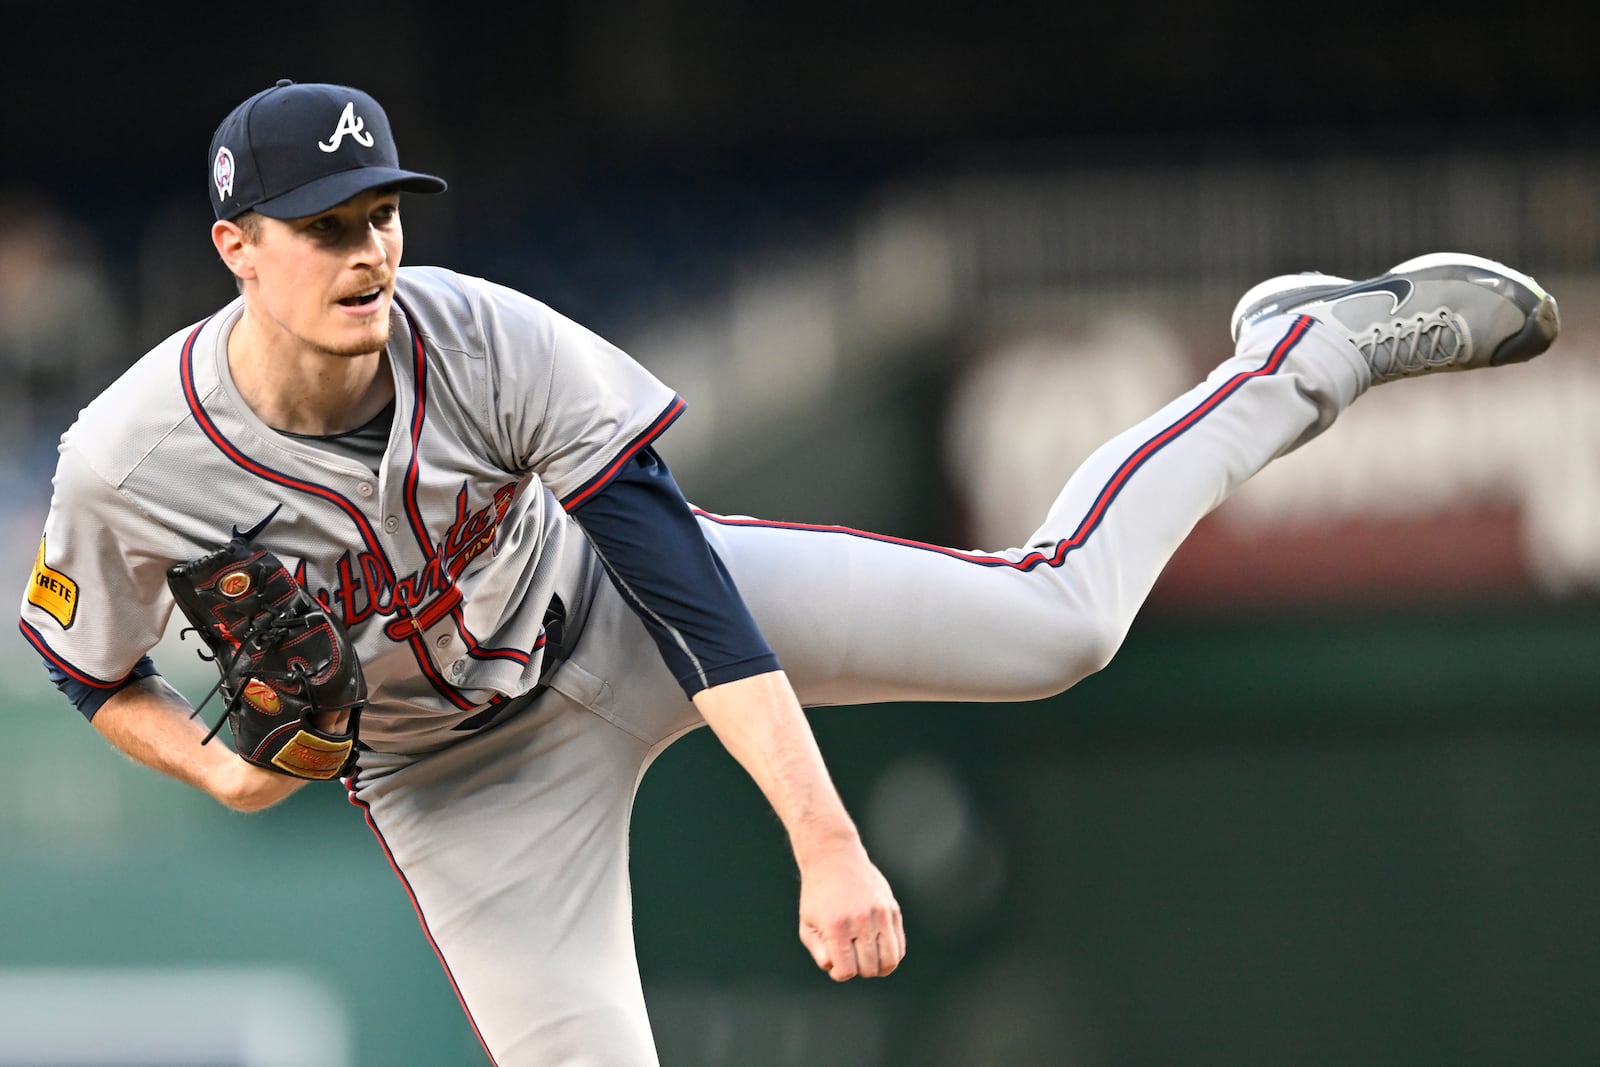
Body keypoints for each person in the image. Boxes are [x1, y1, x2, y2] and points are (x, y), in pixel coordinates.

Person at [17, 80, 1561, 1066]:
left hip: (608, 619)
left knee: (1063, 624)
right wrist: (216, 776)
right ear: (236, 248)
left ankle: (1303, 353)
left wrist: (824, 844)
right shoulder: (129, 461)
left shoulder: (486, 339)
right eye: (320, 227)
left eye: (379, 216)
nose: (365, 253)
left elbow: (689, 595)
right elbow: (84, 666)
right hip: (458, 795)